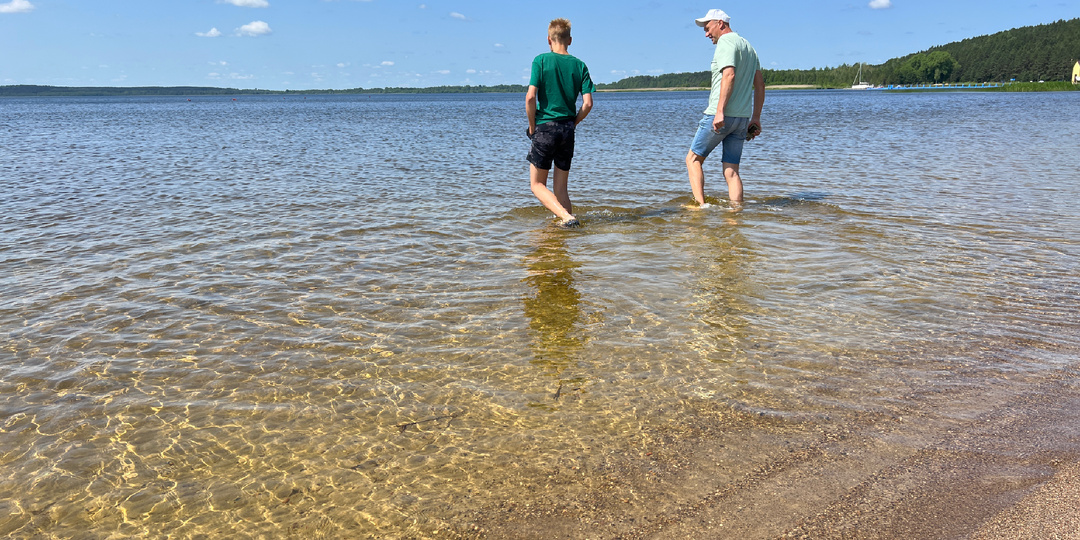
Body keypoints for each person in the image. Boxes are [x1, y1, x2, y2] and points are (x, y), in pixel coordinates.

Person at [685, 9, 764, 208]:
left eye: (708, 27)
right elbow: (760, 85)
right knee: (731, 170)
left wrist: (719, 111)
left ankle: (700, 207)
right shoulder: (748, 47)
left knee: (693, 159)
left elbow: (729, 75)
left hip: (720, 115)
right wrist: (756, 118)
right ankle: (736, 215)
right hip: (741, 119)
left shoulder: (726, 42)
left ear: (720, 23)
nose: (706, 33)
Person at [526, 18, 595, 228]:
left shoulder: (541, 60)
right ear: (570, 40)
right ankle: (565, 235)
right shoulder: (579, 65)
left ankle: (566, 218)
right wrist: (574, 122)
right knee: (561, 189)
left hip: (545, 127)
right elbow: (588, 104)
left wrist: (532, 127)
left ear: (549, 39)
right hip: (567, 129)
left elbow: (530, 98)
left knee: (537, 184)